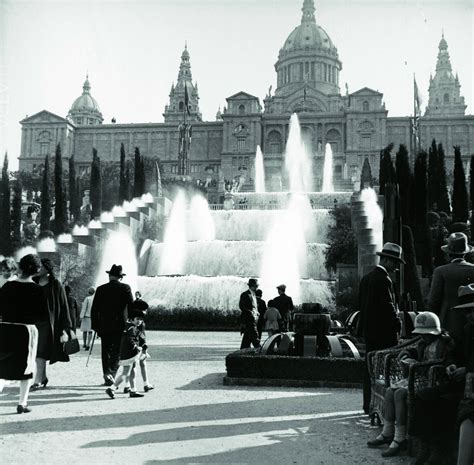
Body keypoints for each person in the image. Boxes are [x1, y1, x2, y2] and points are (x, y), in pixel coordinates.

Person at [367, 312, 455, 458]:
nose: (423, 337)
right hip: (419, 378)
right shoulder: (423, 343)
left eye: (426, 334)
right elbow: (413, 350)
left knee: (400, 393)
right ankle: (388, 431)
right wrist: (406, 355)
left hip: (433, 380)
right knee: (390, 391)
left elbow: (449, 360)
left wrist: (445, 366)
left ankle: (400, 437)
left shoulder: (445, 344)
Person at [356, 242, 403, 414]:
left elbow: (360, 304)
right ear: (388, 261)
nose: (396, 267)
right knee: (385, 370)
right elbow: (388, 307)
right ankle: (382, 407)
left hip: (369, 332)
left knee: (369, 368)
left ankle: (367, 404)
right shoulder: (384, 280)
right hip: (384, 333)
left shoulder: (367, 278)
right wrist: (398, 323)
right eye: (396, 263)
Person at [0, 254, 49, 413]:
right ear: (36, 270)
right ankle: (22, 402)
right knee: (27, 366)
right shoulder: (38, 290)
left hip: (6, 328)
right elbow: (42, 316)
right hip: (27, 330)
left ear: (20, 268)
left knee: (3, 366)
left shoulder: (7, 286)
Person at [33, 258, 73, 389]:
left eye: (41, 267)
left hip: (48, 323)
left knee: (40, 351)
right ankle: (43, 378)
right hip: (34, 322)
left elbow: (63, 305)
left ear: (48, 269)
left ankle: (37, 380)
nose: (38, 269)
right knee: (37, 352)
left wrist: (66, 327)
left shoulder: (55, 284)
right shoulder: (34, 282)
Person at [428, 232, 474, 345]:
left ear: (448, 254)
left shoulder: (440, 271)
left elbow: (433, 301)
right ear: (465, 253)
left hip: (448, 324)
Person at [91, 264, 133, 386]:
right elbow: (131, 307)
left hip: (104, 326)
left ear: (109, 276)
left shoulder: (100, 289)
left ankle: (106, 374)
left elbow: (94, 310)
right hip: (120, 325)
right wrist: (131, 324)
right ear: (121, 277)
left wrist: (95, 326)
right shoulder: (125, 288)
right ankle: (111, 373)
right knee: (117, 351)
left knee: (105, 351)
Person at [447, 284, 474, 465]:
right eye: (466, 312)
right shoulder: (468, 330)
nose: (470, 315)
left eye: (472, 310)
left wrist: (468, 370)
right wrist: (451, 364)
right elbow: (455, 353)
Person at [105, 308, 146, 399]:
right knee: (125, 373)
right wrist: (137, 347)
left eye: (141, 319)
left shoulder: (129, 326)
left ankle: (133, 390)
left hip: (129, 353)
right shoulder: (131, 328)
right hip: (129, 354)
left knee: (133, 371)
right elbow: (130, 340)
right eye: (137, 319)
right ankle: (112, 388)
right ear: (132, 319)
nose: (139, 321)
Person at [124, 291, 154, 393]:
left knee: (130, 366)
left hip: (135, 344)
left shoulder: (131, 319)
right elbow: (142, 334)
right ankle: (145, 384)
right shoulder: (140, 322)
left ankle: (127, 385)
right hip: (138, 344)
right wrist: (144, 344)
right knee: (139, 364)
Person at [239, 278, 261, 349]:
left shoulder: (254, 295)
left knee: (246, 340)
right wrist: (251, 313)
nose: (256, 287)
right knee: (255, 339)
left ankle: (242, 353)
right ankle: (261, 353)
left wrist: (257, 313)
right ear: (252, 286)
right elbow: (242, 306)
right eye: (255, 286)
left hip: (253, 319)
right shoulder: (245, 294)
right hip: (249, 319)